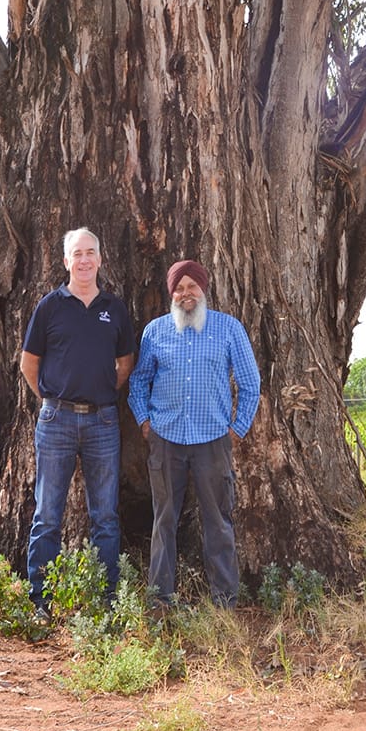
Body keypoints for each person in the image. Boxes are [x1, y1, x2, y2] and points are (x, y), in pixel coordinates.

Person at [128, 258, 260, 608]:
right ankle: (160, 602)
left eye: (192, 286)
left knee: (218, 522)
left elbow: (250, 383)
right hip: (166, 440)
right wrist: (144, 422)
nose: (186, 293)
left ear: (204, 289)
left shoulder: (229, 329)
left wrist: (237, 429)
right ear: (171, 294)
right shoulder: (155, 332)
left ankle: (225, 602)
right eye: (179, 288)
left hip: (213, 441)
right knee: (164, 522)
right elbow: (138, 381)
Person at [20, 227, 134, 613]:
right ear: (66, 261)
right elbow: (29, 363)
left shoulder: (114, 308)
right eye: (77, 254)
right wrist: (52, 399)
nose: (84, 260)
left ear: (100, 259)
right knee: (47, 514)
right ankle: (42, 599)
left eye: (90, 252)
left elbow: (124, 364)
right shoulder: (50, 307)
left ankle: (105, 599)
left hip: (103, 422)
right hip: (57, 421)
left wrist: (98, 392)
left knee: (106, 516)